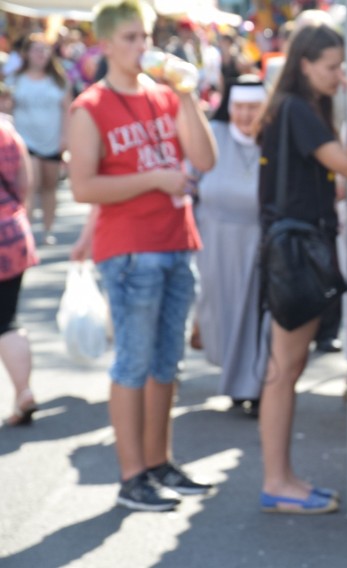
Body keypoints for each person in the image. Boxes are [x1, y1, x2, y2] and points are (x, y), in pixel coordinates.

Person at [68, 0, 217, 512]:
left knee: (166, 363)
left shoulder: (163, 95)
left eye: (144, 37)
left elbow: (205, 159)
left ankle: (159, 463)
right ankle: (132, 475)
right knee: (133, 363)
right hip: (131, 251)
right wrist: (154, 179)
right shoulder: (89, 106)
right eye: (130, 38)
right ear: (106, 44)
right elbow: (84, 186)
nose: (140, 47)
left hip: (177, 241)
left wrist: (189, 96)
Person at [254, 22, 347, 514]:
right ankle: (277, 482)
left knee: (287, 367)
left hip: (293, 246)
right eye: (332, 67)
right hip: (296, 251)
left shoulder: (293, 107)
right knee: (283, 370)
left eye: (342, 67)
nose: (339, 76)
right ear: (305, 64)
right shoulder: (297, 110)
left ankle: (282, 479)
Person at [193, 76, 266, 417]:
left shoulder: (273, 141)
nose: (245, 115)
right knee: (224, 312)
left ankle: (254, 384)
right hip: (216, 240)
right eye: (239, 107)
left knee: (256, 316)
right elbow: (190, 180)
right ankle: (237, 381)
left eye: (253, 108)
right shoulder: (214, 135)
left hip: (260, 241)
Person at [8, 33, 71, 246]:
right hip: (25, 141)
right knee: (30, 184)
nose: (41, 54)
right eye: (36, 49)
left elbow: (68, 110)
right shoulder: (15, 79)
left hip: (52, 141)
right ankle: (25, 229)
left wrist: (66, 137)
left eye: (45, 49)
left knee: (49, 186)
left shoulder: (59, 80)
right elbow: (6, 108)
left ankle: (47, 230)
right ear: (26, 54)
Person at [0, 117, 37, 427]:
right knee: (8, 317)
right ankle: (23, 390)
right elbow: (25, 182)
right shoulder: (6, 128)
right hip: (11, 231)